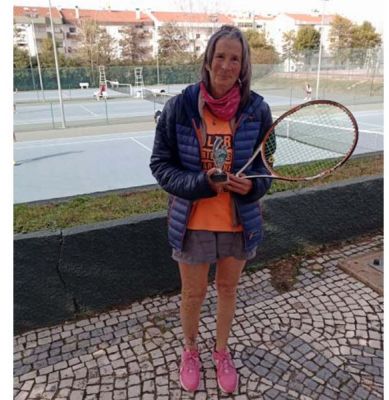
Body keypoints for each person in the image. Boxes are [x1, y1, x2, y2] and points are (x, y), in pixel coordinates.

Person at [150, 25, 274, 394]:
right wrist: (202, 184)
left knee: (227, 290)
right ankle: (190, 351)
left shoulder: (258, 109)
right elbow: (161, 166)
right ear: (207, 60)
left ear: (244, 65)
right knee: (193, 294)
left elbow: (266, 167)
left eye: (235, 59)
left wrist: (252, 187)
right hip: (193, 222)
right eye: (220, 56)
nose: (226, 65)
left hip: (239, 222)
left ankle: (221, 352)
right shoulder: (179, 107)